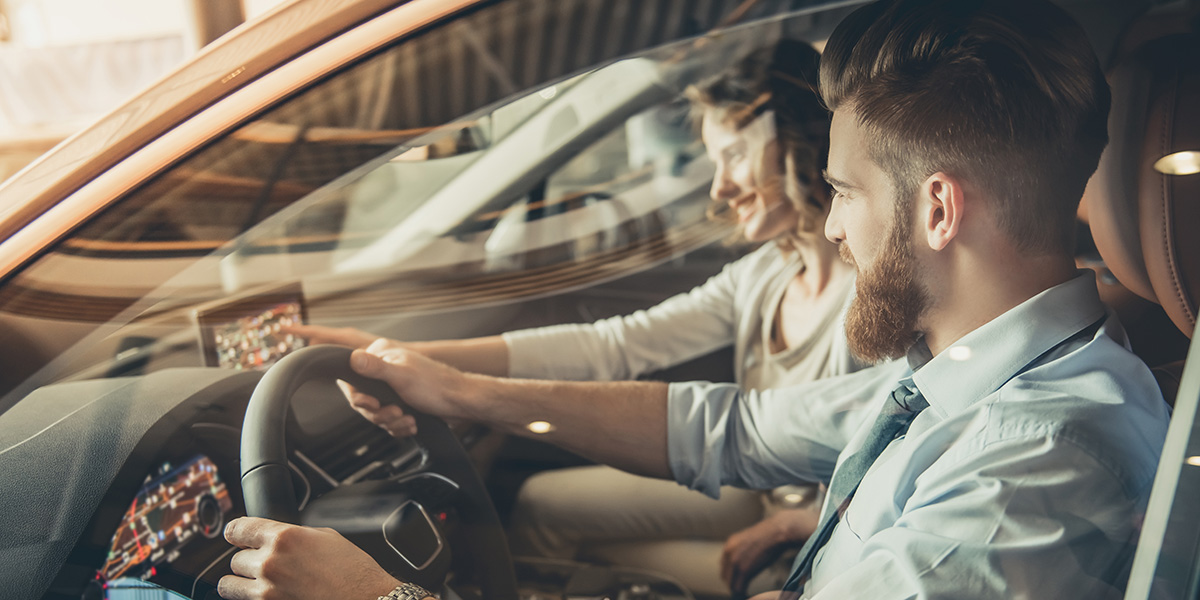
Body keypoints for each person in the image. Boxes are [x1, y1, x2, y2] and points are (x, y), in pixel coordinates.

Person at [218, 1, 1172, 599]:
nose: (835, 227)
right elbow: (734, 429)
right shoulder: (975, 373)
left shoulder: (1035, 468)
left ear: (935, 208)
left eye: (843, 192)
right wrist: (459, 391)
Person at [288, 39, 861, 597]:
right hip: (763, 493)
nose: (720, 186)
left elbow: (900, 442)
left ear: (800, 138)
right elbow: (610, 345)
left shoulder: (870, 298)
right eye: (715, 161)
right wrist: (403, 355)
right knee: (540, 505)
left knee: (596, 562)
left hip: (816, 528)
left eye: (735, 154)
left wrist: (813, 521)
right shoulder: (763, 273)